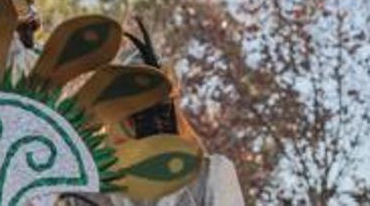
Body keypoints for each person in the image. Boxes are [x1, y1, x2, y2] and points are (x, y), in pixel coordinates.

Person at [56, 21, 245, 206]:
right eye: (141, 105)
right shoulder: (89, 188)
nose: (154, 117)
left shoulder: (211, 174)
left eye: (161, 103)